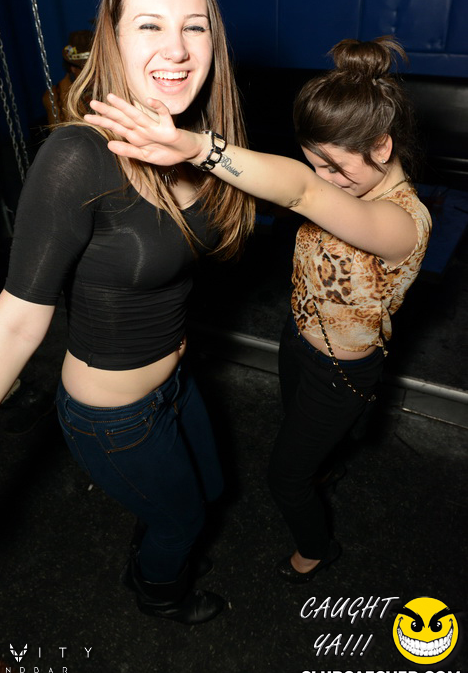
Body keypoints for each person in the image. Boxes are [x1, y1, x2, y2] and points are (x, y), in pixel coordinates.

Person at [0, 0, 255, 625]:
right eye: (150, 24)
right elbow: (17, 317)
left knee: (210, 489)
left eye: (194, 26)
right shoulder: (77, 155)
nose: (177, 48)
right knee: (184, 519)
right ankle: (160, 593)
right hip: (113, 416)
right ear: (111, 38)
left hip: (177, 379)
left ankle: (158, 540)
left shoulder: (199, 138)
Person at [84, 35, 432, 583]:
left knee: (284, 477)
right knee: (304, 437)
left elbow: (302, 193)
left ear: (382, 148)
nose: (324, 176)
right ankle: (323, 465)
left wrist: (197, 147)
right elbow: (292, 191)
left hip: (342, 374)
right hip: (297, 341)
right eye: (313, 161)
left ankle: (316, 549)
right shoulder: (345, 184)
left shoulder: (403, 223)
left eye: (335, 166)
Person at [42, 30, 93, 125]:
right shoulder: (55, 97)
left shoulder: (111, 88)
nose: (93, 74)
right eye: (87, 69)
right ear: (73, 68)